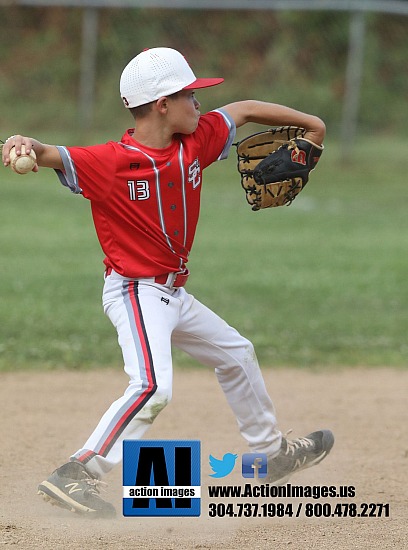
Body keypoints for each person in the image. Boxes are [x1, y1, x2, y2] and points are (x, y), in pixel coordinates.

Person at [2, 47, 334, 519]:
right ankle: (77, 471)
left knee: (237, 354)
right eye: (189, 96)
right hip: (135, 291)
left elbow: (243, 110)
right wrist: (20, 142)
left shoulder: (195, 142)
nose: (198, 104)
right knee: (153, 386)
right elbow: (46, 153)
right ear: (162, 104)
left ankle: (270, 453)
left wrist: (313, 124)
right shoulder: (110, 162)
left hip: (173, 293)